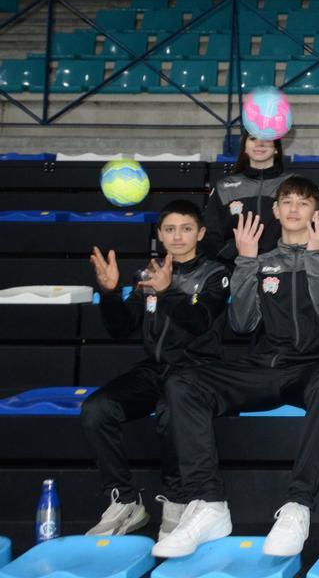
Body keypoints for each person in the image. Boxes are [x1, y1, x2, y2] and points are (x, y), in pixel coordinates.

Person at [154, 177, 319, 559]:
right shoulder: (259, 261)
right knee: (183, 381)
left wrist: (314, 254)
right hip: (263, 365)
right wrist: (245, 261)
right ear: (275, 211)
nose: (294, 208)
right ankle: (209, 502)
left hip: (314, 366)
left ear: (317, 212)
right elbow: (242, 324)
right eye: (287, 202)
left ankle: (298, 506)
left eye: (303, 202)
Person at [82, 201, 229, 538]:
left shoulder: (216, 273)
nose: (178, 236)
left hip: (197, 371)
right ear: (160, 235)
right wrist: (109, 293)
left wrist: (168, 292)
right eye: (170, 229)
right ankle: (126, 501)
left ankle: (177, 502)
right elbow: (120, 328)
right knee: (96, 409)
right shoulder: (147, 275)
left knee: (169, 412)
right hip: (155, 369)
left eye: (186, 228)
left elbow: (200, 322)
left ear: (201, 233)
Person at [202, 130, 296, 265]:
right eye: (253, 139)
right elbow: (211, 234)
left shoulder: (294, 184)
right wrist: (231, 252)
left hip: (283, 268)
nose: (259, 143)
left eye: (267, 139)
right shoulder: (225, 187)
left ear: (276, 148)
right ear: (244, 148)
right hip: (237, 267)